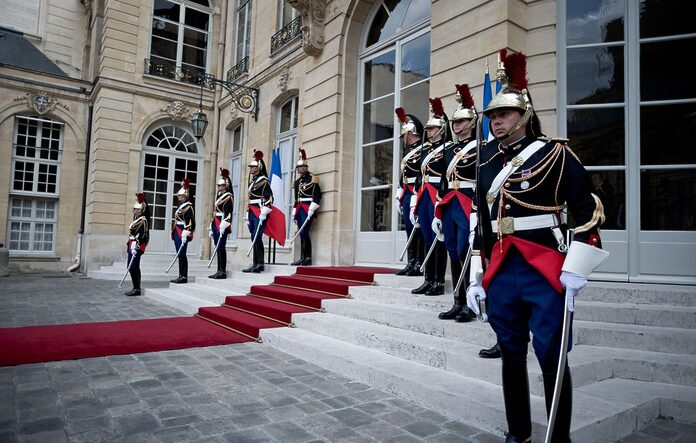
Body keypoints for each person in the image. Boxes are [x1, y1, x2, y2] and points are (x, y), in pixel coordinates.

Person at [466, 49, 608, 443]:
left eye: (504, 114)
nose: (495, 121)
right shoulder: (486, 165)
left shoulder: (556, 154)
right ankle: (519, 432)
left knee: (551, 356)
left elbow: (588, 212)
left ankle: (558, 436)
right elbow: (483, 225)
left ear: (525, 116)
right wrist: (478, 274)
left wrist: (577, 265)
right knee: (511, 353)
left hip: (546, 269)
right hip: (503, 270)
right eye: (492, 116)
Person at [433, 84, 477, 322]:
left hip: (469, 202)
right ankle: (457, 301)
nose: (457, 126)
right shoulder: (448, 149)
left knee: (465, 250)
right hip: (450, 202)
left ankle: (471, 303)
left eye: (461, 122)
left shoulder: (480, 147)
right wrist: (437, 212)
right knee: (452, 249)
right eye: (455, 122)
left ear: (471, 123)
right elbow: (443, 180)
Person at [411, 98, 449, 295]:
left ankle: (439, 282)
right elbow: (419, 175)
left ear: (442, 129)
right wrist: (413, 199)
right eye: (428, 129)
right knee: (427, 236)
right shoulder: (426, 150)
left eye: (433, 129)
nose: (429, 131)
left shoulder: (447, 149)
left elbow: (446, 175)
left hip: (437, 194)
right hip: (424, 194)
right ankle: (428, 278)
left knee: (438, 238)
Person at [394, 107, 425, 276]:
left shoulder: (423, 150)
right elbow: (404, 174)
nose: (403, 139)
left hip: (417, 192)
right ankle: (411, 262)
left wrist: (414, 194)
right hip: (407, 192)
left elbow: (422, 173)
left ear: (410, 133)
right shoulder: (409, 152)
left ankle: (419, 263)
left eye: (404, 135)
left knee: (418, 229)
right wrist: (400, 190)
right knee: (409, 228)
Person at [291, 148, 322, 265]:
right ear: (298, 169)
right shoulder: (297, 182)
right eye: (300, 167)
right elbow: (296, 198)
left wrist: (312, 208)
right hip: (299, 208)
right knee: (301, 232)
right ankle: (302, 257)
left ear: (306, 167)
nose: (302, 168)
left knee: (305, 232)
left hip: (308, 208)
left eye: (304, 166)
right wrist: (294, 211)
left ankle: (308, 258)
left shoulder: (312, 179)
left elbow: (318, 195)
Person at [244, 149, 273, 273]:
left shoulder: (264, 181)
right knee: (253, 236)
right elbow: (250, 198)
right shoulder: (252, 182)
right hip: (252, 210)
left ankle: (260, 263)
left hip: (260, 211)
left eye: (253, 167)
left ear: (259, 167)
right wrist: (247, 213)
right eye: (250, 167)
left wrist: (264, 212)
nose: (250, 168)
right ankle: (255, 263)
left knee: (257, 236)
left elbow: (270, 198)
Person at [209, 168, 234, 279]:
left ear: (226, 186)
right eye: (218, 185)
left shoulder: (228, 196)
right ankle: (218, 269)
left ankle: (222, 271)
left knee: (221, 246)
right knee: (217, 246)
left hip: (222, 222)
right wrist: (211, 223)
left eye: (221, 185)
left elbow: (229, 211)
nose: (219, 187)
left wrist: (226, 222)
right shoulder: (219, 196)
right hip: (216, 221)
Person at [170, 178, 195, 284]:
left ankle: (184, 276)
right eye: (179, 196)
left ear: (185, 196)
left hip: (183, 230)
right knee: (179, 253)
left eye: (180, 196)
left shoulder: (189, 207)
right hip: (177, 230)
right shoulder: (180, 206)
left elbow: (190, 220)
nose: (179, 197)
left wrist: (187, 231)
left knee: (182, 253)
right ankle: (181, 274)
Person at [125, 193, 150, 296]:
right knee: (132, 266)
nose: (134, 210)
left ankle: (137, 288)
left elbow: (142, 235)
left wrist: (136, 245)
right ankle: (136, 287)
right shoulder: (137, 219)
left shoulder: (143, 221)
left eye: (135, 209)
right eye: (134, 209)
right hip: (132, 244)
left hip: (137, 245)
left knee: (133, 266)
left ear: (140, 210)